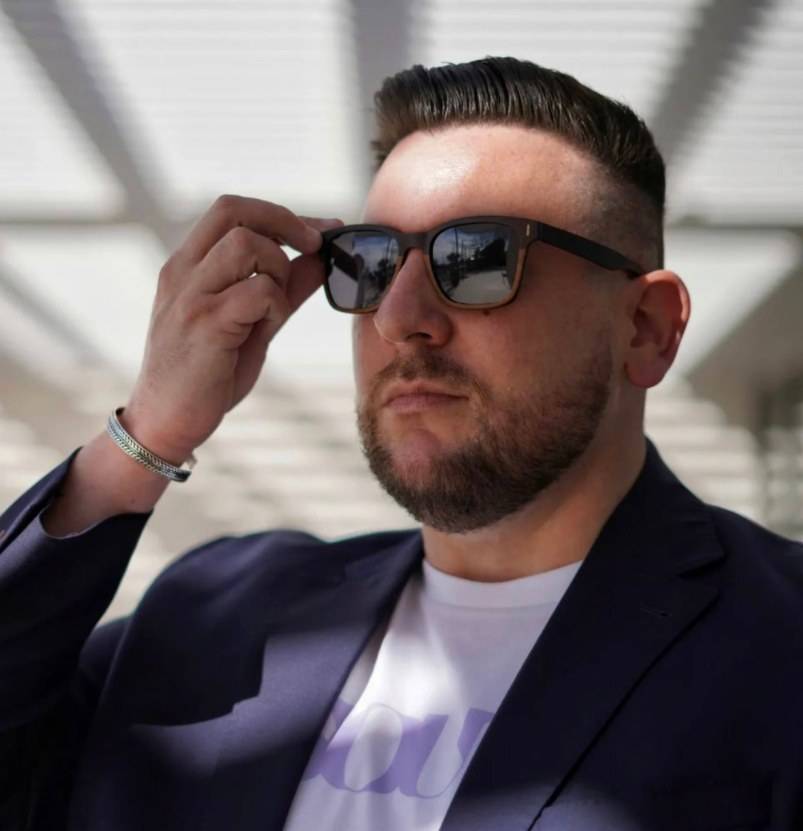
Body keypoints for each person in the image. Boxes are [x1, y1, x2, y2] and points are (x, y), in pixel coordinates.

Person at [1, 57, 802, 831]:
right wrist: (147, 434)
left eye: (477, 257)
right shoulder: (214, 616)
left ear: (646, 327)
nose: (397, 317)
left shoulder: (779, 645)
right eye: (370, 263)